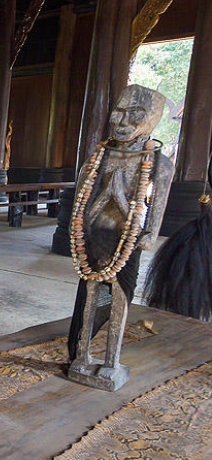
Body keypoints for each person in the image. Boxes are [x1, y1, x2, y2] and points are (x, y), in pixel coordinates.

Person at [67, 84, 173, 391]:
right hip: (93, 237)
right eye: (119, 113)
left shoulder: (158, 164)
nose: (122, 122)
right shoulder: (99, 158)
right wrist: (103, 202)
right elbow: (81, 206)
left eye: (135, 115)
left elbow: (151, 223)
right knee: (89, 298)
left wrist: (125, 206)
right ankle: (82, 355)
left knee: (118, 301)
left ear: (151, 119)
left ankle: (111, 361)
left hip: (125, 243)